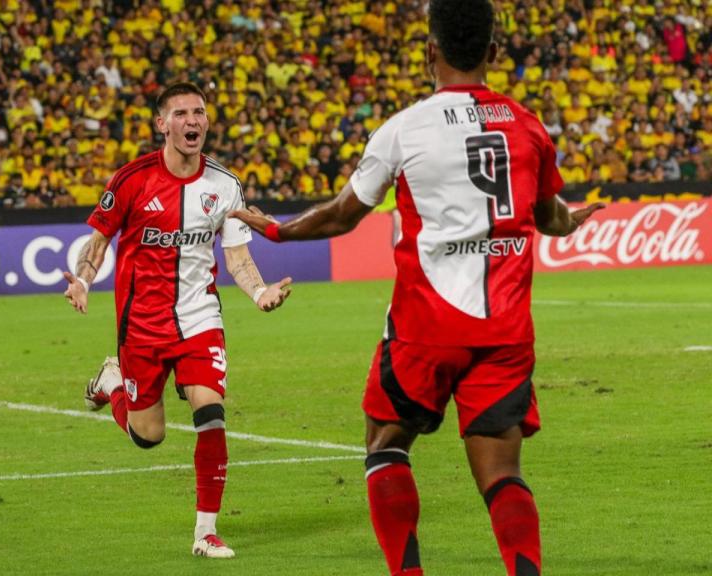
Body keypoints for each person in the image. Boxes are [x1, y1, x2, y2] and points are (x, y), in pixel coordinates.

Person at [230, 1, 604, 574]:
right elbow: (547, 215)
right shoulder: (528, 127)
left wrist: (277, 229)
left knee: (386, 446)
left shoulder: (404, 129)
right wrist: (570, 220)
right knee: (503, 475)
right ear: (494, 53)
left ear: (430, 52)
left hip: (425, 328)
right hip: (504, 333)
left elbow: (340, 215)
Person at [62, 82, 291, 560]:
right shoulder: (132, 179)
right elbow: (99, 242)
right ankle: (112, 382)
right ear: (162, 124)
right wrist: (83, 281)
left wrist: (258, 292)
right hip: (141, 324)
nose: (193, 121)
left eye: (200, 112)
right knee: (149, 436)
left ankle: (206, 532)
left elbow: (237, 257)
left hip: (198, 316)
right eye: (182, 113)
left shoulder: (225, 185)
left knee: (210, 413)